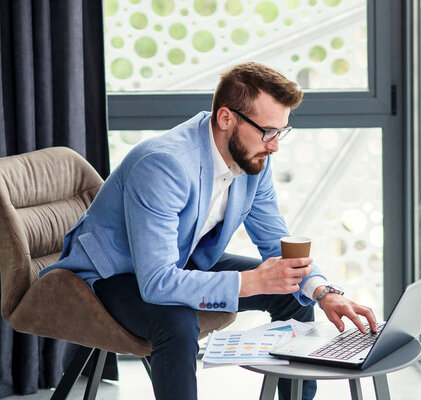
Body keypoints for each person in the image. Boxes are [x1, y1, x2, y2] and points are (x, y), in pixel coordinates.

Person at [40, 62, 377, 400]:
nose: (275, 146)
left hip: (179, 258)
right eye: (268, 132)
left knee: (291, 290)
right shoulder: (162, 165)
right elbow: (157, 283)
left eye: (281, 132)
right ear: (226, 118)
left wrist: (324, 291)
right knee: (176, 323)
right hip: (109, 274)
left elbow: (276, 243)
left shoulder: (254, 158)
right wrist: (252, 282)